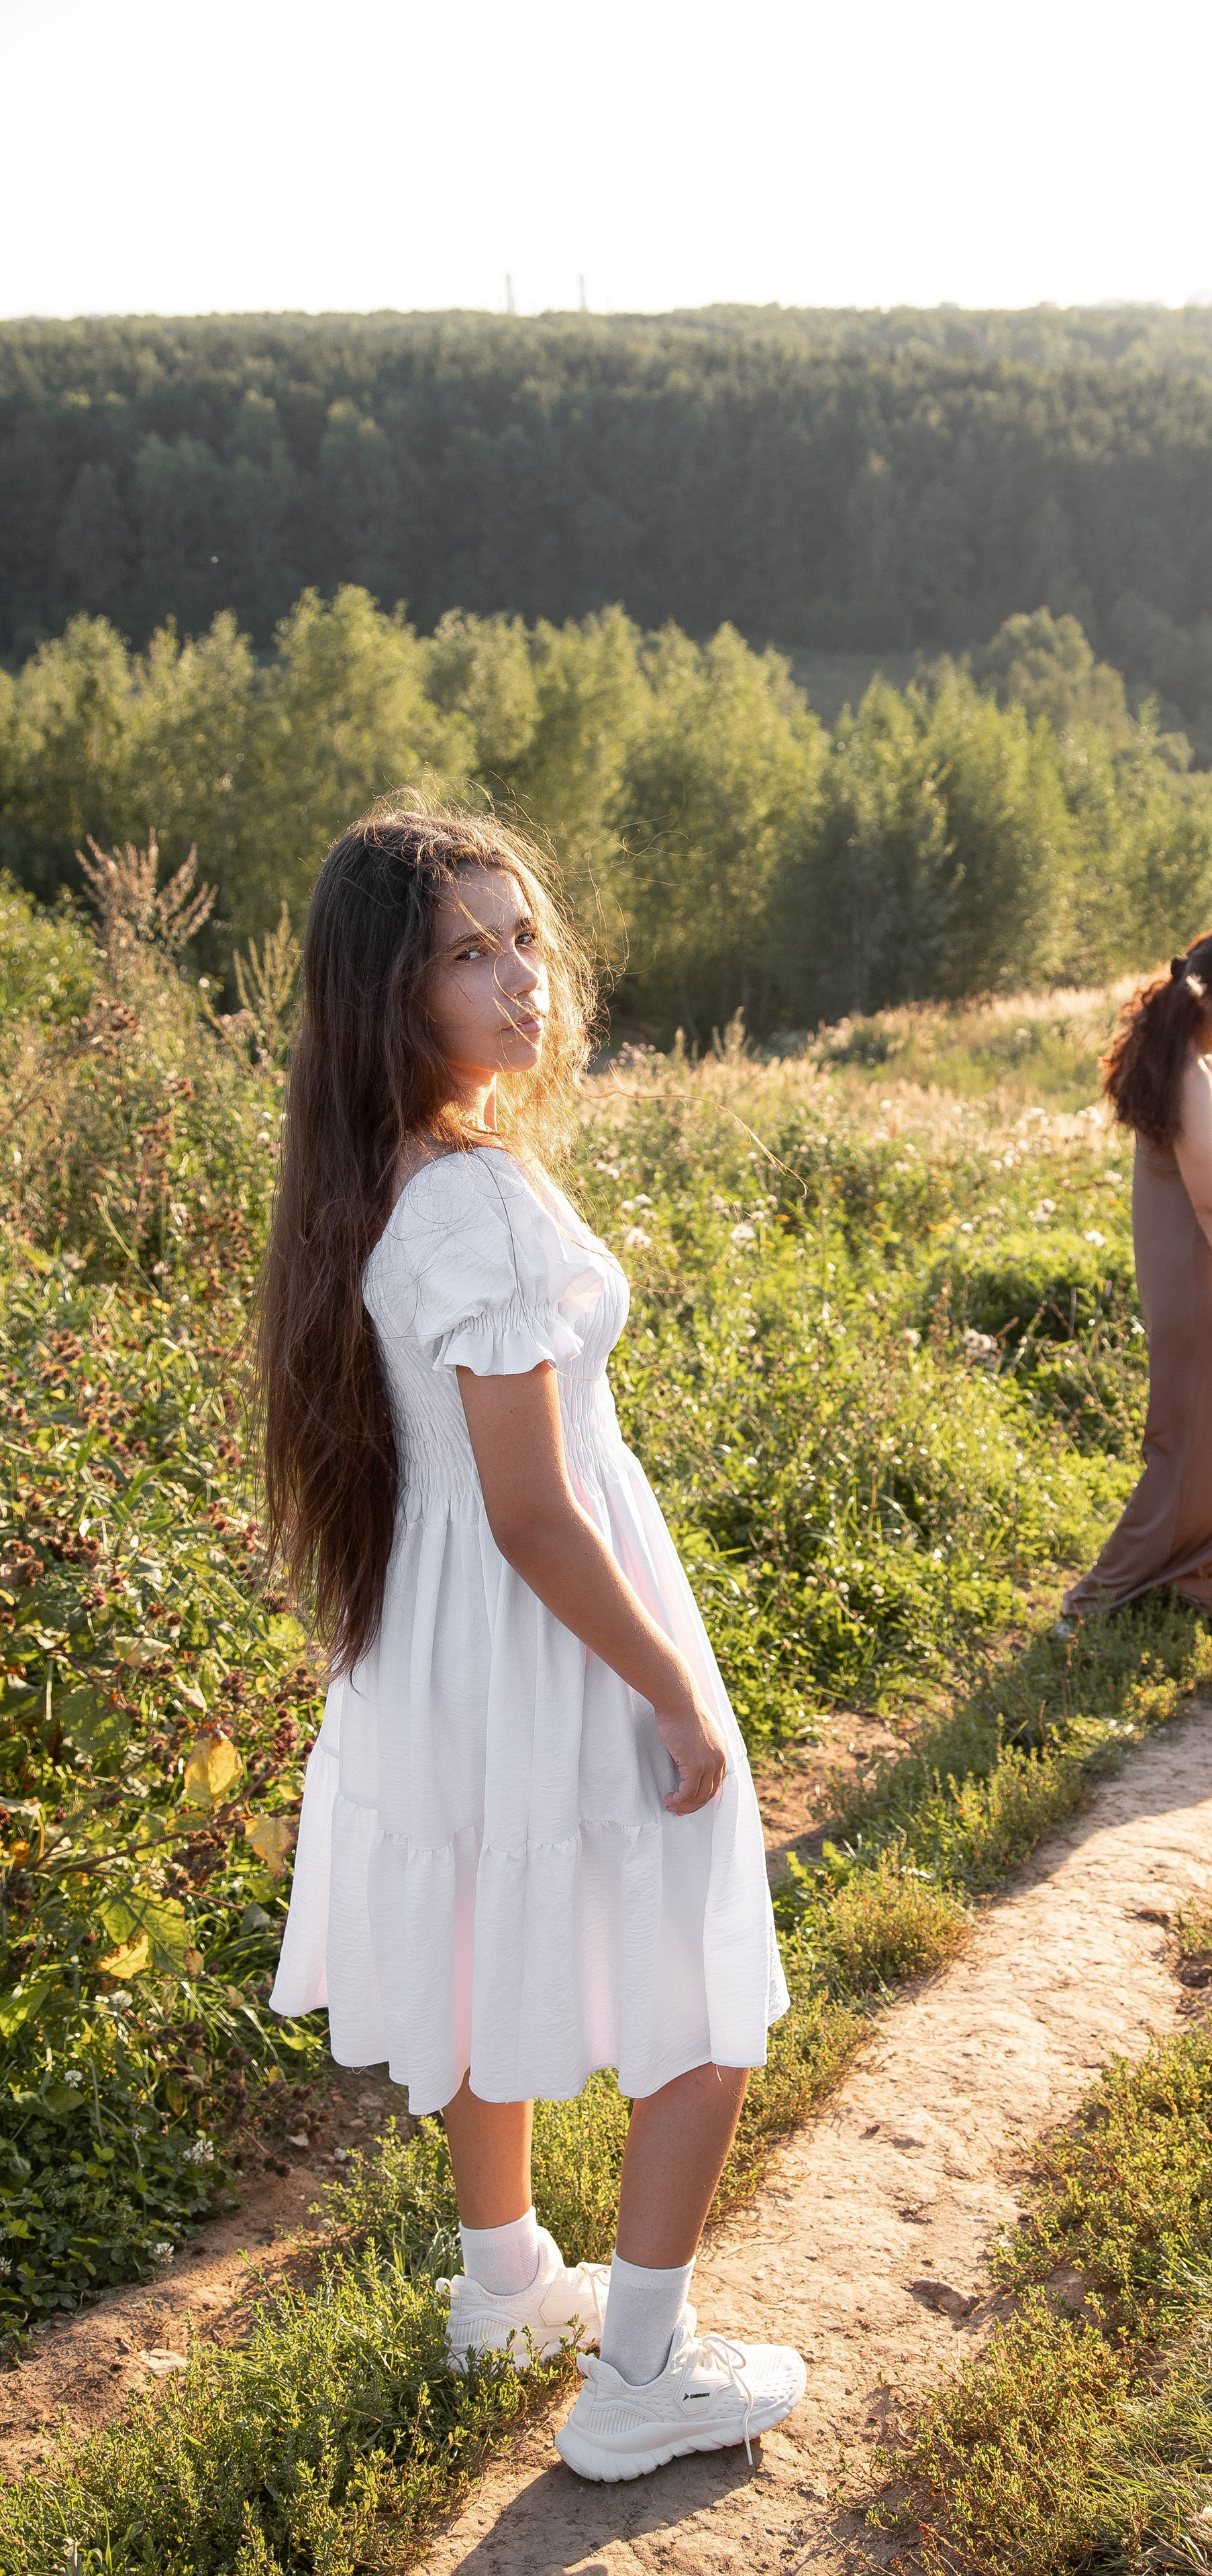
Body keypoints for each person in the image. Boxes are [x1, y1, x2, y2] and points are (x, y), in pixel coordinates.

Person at [262, 803, 803, 2483]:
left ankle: (508, 2281)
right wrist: (671, 1691)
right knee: (709, 1986)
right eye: (469, 953)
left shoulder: (380, 1174)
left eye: (525, 938)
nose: (522, 981)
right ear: (387, 995)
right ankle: (638, 2365)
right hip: (542, 1616)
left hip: (435, 1633)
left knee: (483, 1934)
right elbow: (535, 1506)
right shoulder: (479, 1205)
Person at [1060, 922, 1212, 1624]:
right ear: (1203, 998)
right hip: (1203, 1289)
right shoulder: (1189, 1073)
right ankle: (1092, 1601)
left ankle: (1202, 1583)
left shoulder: (1207, 1054)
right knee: (1190, 1447)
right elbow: (1209, 1204)